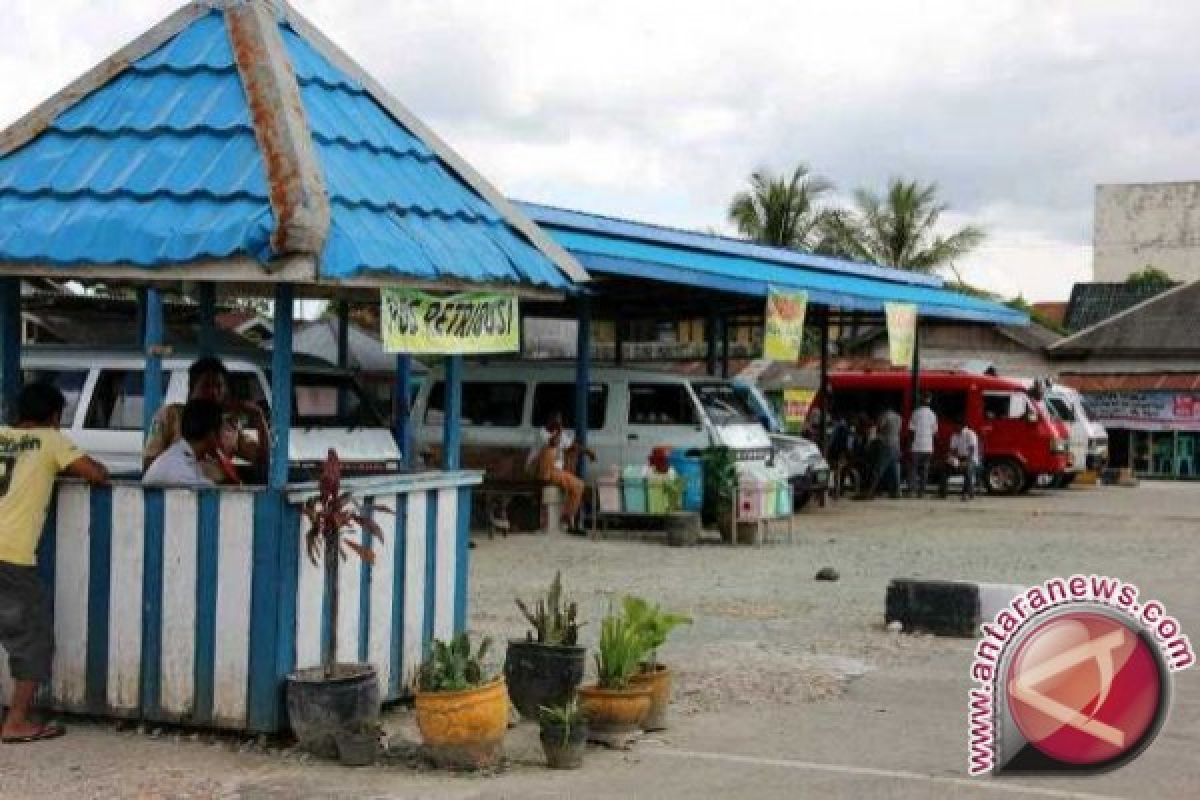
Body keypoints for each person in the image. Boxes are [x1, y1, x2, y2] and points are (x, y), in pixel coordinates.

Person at [0, 382, 108, 743]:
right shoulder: (51, 440)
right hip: (10, 554)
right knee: (32, 637)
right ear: (53, 416)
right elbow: (96, 473)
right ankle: (15, 722)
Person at [142, 357, 269, 484]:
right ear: (191, 388)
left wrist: (258, 416)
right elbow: (149, 463)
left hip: (221, 493)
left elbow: (262, 459)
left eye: (218, 386)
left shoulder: (229, 424)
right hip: (181, 487)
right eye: (206, 385)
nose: (213, 392)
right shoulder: (170, 415)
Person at [527, 412, 593, 533]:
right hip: (539, 470)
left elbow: (572, 445)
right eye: (555, 420)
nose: (558, 423)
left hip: (555, 471)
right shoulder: (542, 433)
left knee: (579, 485)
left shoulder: (559, 434)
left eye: (559, 421)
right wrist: (560, 430)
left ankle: (567, 517)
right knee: (549, 451)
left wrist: (588, 452)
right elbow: (553, 443)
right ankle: (544, 478)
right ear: (548, 420)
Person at [143, 399, 226, 487]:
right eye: (222, 431)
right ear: (212, 435)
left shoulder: (178, 455)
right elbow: (203, 492)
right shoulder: (180, 469)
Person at [867, 404, 903, 499]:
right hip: (896, 445)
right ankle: (897, 492)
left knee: (878, 469)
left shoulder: (884, 416)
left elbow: (879, 427)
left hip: (886, 444)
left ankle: (870, 492)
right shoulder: (898, 417)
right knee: (895, 470)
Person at [941, 418, 981, 501]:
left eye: (955, 425)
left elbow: (972, 450)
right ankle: (942, 493)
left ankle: (966, 493)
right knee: (944, 467)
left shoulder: (970, 434)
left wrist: (966, 461)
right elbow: (953, 450)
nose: (954, 427)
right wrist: (950, 457)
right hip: (959, 458)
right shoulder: (954, 435)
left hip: (971, 459)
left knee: (968, 469)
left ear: (961, 426)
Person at [908, 394, 938, 498]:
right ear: (929, 402)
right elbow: (935, 432)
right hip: (928, 447)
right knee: (925, 470)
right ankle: (921, 492)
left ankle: (912, 491)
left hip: (916, 446)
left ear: (921, 401)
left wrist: (910, 444)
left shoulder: (915, 413)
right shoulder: (933, 414)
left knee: (913, 469)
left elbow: (911, 431)